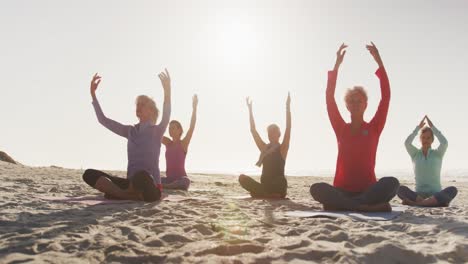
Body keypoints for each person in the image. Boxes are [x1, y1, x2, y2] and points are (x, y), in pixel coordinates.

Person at [310, 43, 399, 212]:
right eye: (351, 101)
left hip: (368, 190)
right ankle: (362, 207)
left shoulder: (374, 127)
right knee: (316, 188)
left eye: (359, 101)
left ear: (366, 104)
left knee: (392, 183)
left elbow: (386, 97)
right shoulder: (341, 128)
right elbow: (329, 99)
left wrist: (379, 61)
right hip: (342, 190)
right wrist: (336, 66)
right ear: (347, 106)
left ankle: (351, 205)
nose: (355, 104)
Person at [82, 69, 172, 202]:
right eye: (137, 104)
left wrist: (167, 91)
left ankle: (118, 193)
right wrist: (93, 95)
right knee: (89, 174)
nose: (139, 107)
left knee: (142, 176)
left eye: (143, 104)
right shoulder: (130, 131)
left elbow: (166, 114)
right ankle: (126, 194)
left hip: (150, 186)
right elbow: (103, 120)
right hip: (130, 184)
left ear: (151, 111)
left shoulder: (157, 130)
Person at [238, 93, 291, 199]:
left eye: (273, 132)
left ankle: (265, 194)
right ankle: (266, 194)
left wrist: (287, 108)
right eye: (269, 133)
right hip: (266, 187)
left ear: (278, 134)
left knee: (281, 181)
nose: (271, 135)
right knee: (242, 178)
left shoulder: (282, 148)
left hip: (277, 186)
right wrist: (250, 110)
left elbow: (288, 128)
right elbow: (253, 130)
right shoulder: (264, 148)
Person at [398, 116, 457, 207]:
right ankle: (428, 203)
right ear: (420, 139)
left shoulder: (438, 153)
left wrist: (432, 127)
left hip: (435, 194)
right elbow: (407, 143)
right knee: (399, 189)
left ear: (432, 140)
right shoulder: (415, 154)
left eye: (428, 138)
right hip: (419, 195)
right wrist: (418, 128)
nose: (426, 140)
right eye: (423, 137)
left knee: (453, 189)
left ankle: (418, 204)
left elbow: (444, 142)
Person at [160, 95, 198, 190]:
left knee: (186, 181)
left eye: (173, 128)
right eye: (169, 128)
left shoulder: (183, 143)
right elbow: (155, 134)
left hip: (180, 180)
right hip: (168, 180)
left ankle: (167, 187)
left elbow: (192, 127)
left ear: (179, 130)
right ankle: (167, 186)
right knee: (154, 177)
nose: (170, 130)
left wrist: (194, 108)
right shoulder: (168, 143)